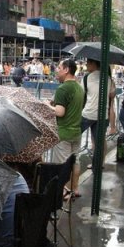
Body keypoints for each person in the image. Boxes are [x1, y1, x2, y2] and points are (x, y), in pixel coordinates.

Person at [44, 59, 84, 197]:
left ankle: (63, 192)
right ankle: (74, 189)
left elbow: (60, 112)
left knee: (62, 165)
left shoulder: (63, 88)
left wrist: (47, 106)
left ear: (66, 70)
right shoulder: (79, 88)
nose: (56, 70)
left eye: (59, 68)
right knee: (75, 162)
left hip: (63, 133)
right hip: (76, 132)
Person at [80, 59, 116, 169]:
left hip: (87, 114)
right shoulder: (109, 79)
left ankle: (72, 160)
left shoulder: (86, 78)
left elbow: (81, 95)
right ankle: (98, 164)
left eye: (88, 63)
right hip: (102, 116)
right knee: (99, 141)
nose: (86, 65)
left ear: (94, 64)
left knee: (73, 135)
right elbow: (112, 97)